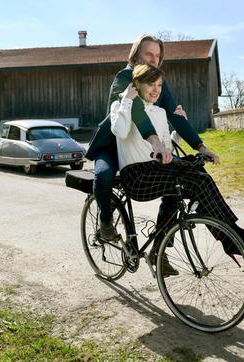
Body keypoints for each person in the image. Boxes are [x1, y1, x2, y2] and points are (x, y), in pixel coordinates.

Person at [110, 64, 244, 261]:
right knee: (197, 183)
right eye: (151, 84)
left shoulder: (159, 113)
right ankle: (232, 241)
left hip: (157, 170)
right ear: (137, 85)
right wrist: (126, 100)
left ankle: (235, 233)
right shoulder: (123, 106)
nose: (156, 89)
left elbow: (167, 148)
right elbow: (120, 131)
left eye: (159, 85)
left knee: (202, 177)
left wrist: (178, 131)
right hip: (136, 176)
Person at [85, 34, 218, 242]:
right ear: (136, 54)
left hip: (143, 147)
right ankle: (105, 221)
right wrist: (156, 141)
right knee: (103, 176)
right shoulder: (124, 78)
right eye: (149, 53)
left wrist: (200, 146)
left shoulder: (157, 82)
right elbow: (137, 112)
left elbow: (175, 115)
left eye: (157, 55)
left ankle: (161, 242)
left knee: (176, 181)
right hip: (114, 143)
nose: (153, 59)